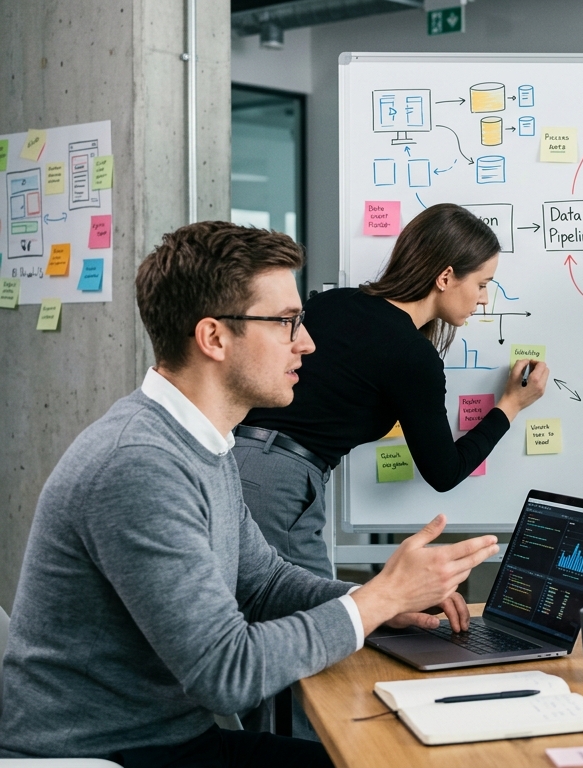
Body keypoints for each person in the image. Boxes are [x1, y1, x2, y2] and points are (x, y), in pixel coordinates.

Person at [0, 222, 500, 764]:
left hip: (162, 736)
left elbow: (262, 583)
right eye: (287, 322)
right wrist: (375, 600)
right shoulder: (140, 465)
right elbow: (227, 673)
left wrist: (382, 605)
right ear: (214, 338)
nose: (306, 342)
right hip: (105, 753)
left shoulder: (201, 444)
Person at [236, 203, 548, 580]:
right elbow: (444, 471)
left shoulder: (335, 301)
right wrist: (511, 405)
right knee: (321, 621)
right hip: (278, 484)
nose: (483, 299)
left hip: (235, 459)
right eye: (482, 284)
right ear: (446, 277)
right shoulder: (413, 355)